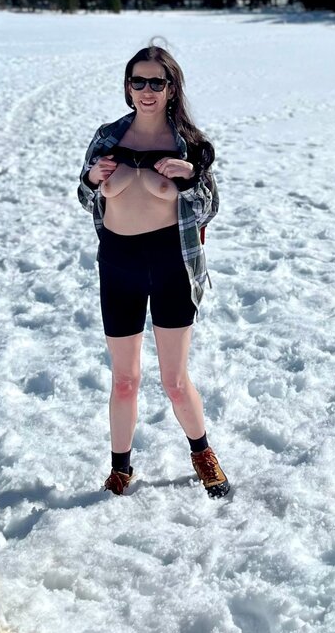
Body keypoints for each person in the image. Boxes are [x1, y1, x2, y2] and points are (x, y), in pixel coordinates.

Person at [78, 43, 230, 498]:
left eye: (156, 82)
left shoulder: (190, 145)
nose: (147, 90)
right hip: (118, 266)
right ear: (128, 87)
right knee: (125, 380)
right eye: (138, 81)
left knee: (174, 381)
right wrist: (91, 180)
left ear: (171, 89)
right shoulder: (107, 138)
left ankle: (203, 455)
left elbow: (209, 208)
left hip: (170, 267)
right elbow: (85, 198)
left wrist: (188, 178)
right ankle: (120, 469)